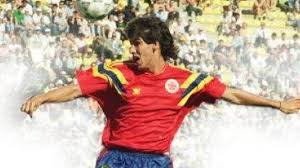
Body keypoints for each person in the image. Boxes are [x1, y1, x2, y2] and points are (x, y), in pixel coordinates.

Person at [21, 16, 300, 168]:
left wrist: (278, 104)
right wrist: (42, 97)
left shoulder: (186, 81)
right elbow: (75, 89)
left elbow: (233, 94)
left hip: (156, 161)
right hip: (116, 159)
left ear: (155, 45)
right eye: (131, 44)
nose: (132, 49)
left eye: (137, 43)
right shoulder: (117, 72)